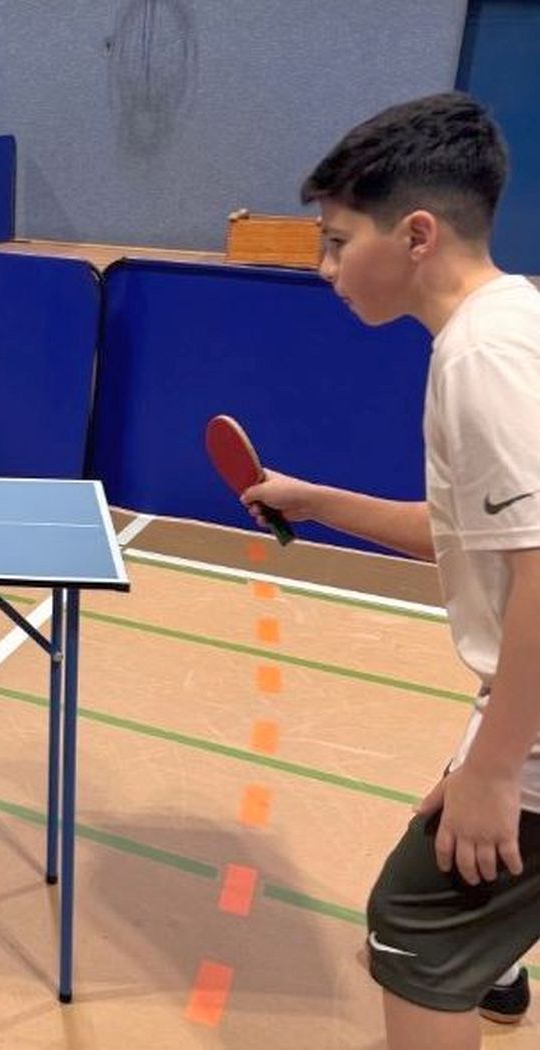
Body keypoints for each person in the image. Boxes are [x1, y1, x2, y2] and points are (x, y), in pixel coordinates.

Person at [243, 93, 540, 1048]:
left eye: (336, 242)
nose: (325, 269)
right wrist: (316, 501)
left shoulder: (483, 359)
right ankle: (496, 959)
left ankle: (473, 952)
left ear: (416, 234)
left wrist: (492, 769)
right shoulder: (512, 319)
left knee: (411, 926)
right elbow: (466, 537)